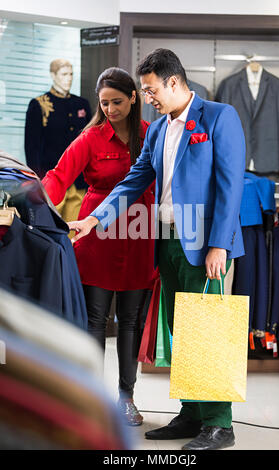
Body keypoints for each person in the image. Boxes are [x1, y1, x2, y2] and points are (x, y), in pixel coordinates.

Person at [68, 49, 246, 450]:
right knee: (179, 332)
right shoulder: (158, 131)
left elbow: (230, 187)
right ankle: (192, 413)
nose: (146, 98)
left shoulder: (219, 117)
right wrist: (94, 220)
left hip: (205, 247)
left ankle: (220, 424)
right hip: (164, 243)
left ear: (173, 81)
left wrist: (219, 244)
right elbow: (133, 181)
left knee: (208, 332)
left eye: (150, 91)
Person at [42, 67, 157, 426]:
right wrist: (38, 205)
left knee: (131, 321)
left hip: (139, 235)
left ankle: (127, 398)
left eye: (117, 102)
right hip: (96, 237)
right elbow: (59, 176)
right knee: (94, 320)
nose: (109, 109)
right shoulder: (90, 138)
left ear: (134, 98)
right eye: (104, 103)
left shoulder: (150, 135)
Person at [25, 58, 92, 225]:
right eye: (64, 74)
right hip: (51, 178)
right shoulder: (39, 105)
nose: (68, 78)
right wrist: (36, 181)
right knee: (49, 227)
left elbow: (90, 140)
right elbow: (31, 147)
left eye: (71, 74)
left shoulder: (81, 104)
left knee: (75, 228)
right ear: (52, 75)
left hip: (78, 180)